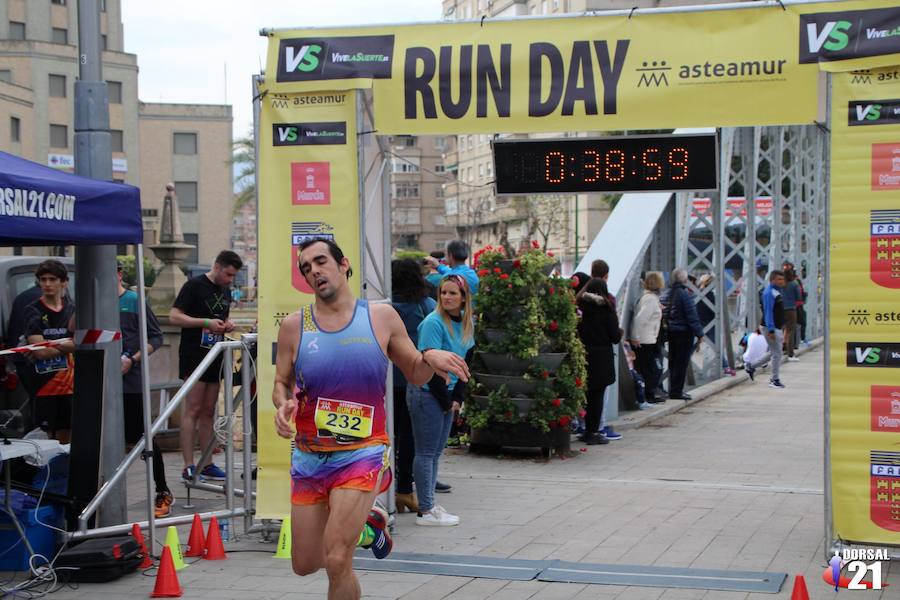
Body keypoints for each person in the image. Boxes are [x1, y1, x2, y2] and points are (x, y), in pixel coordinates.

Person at [272, 238, 469, 600]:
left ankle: (358, 525)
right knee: (305, 563)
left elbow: (413, 371)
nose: (314, 271)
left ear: (343, 264)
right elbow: (281, 383)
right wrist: (283, 405)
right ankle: (368, 525)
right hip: (309, 455)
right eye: (306, 268)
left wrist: (430, 358)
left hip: (362, 451)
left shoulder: (380, 317)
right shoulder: (293, 326)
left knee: (335, 558)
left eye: (320, 262)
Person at [169, 250, 242, 482]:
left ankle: (208, 462)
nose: (230, 280)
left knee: (209, 410)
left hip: (215, 355)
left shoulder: (226, 291)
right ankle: (188, 464)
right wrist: (205, 323)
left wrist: (226, 325)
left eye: (233, 276)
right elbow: (174, 316)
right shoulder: (193, 286)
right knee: (193, 408)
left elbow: (220, 318)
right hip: (194, 355)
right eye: (228, 274)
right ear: (218, 267)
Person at [409, 274, 474, 526]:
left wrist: (458, 397)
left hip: (447, 394)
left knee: (435, 453)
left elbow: (468, 359)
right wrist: (447, 401)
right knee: (426, 453)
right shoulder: (433, 323)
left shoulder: (467, 324)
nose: (446, 297)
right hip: (428, 392)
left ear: (464, 298)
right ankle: (426, 510)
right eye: (443, 293)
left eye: (452, 293)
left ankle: (429, 504)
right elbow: (430, 364)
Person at [117, 262, 172, 517]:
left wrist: (133, 359)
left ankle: (162, 491)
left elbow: (156, 337)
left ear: (119, 274)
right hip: (99, 385)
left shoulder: (133, 301)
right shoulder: (90, 300)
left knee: (144, 437)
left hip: (130, 382)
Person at [389, 258, 437, 514]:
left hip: (384, 381)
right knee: (410, 438)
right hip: (415, 380)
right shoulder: (426, 306)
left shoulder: (383, 308)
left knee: (387, 435)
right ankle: (405, 489)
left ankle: (384, 488)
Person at [23, 260, 75, 443]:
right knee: (48, 441)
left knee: (68, 438)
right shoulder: (33, 311)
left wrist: (49, 344)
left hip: (70, 385)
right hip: (44, 386)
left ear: (64, 282)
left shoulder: (72, 309)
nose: (47, 284)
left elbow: (81, 343)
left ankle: (65, 472)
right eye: (43, 279)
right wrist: (67, 344)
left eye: (52, 279)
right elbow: (40, 352)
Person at [577, 279, 621, 445]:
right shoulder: (607, 309)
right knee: (597, 398)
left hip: (584, 356)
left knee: (585, 396)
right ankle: (592, 432)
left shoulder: (581, 308)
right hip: (602, 358)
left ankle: (583, 428)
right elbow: (615, 337)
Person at [664, 268, 704, 401]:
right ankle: (676, 392)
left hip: (671, 332)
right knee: (681, 363)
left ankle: (672, 390)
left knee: (673, 362)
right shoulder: (684, 294)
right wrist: (700, 333)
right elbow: (692, 316)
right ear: (685, 280)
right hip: (684, 333)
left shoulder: (668, 292)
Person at [629, 272, 664, 404]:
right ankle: (648, 394)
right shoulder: (650, 300)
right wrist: (635, 337)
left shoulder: (649, 298)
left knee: (648, 368)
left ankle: (647, 394)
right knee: (649, 369)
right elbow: (639, 320)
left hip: (646, 338)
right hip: (645, 339)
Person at [759, 270, 786, 389]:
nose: (782, 282)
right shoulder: (769, 293)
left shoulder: (776, 291)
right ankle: (774, 379)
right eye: (779, 279)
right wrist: (771, 330)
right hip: (771, 327)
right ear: (772, 280)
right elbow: (768, 312)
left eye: (782, 279)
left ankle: (750, 365)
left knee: (774, 352)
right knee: (777, 353)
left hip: (776, 326)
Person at [781, 262, 801, 361]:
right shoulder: (794, 283)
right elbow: (799, 297)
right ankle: (790, 354)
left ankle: (782, 348)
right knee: (790, 331)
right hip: (791, 309)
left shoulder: (780, 284)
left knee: (782, 329)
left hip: (780, 309)